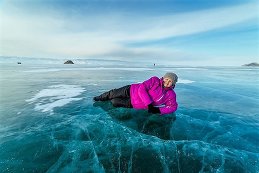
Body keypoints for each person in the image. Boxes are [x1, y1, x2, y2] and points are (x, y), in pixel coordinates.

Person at [93, 72, 178, 115]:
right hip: (131, 90)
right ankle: (100, 97)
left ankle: (109, 103)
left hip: (135, 103)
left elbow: (173, 107)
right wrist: (149, 104)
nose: (167, 82)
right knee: (112, 93)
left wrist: (158, 110)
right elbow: (142, 89)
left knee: (114, 102)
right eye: (166, 79)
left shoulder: (171, 94)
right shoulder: (155, 80)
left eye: (170, 81)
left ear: (173, 84)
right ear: (163, 78)